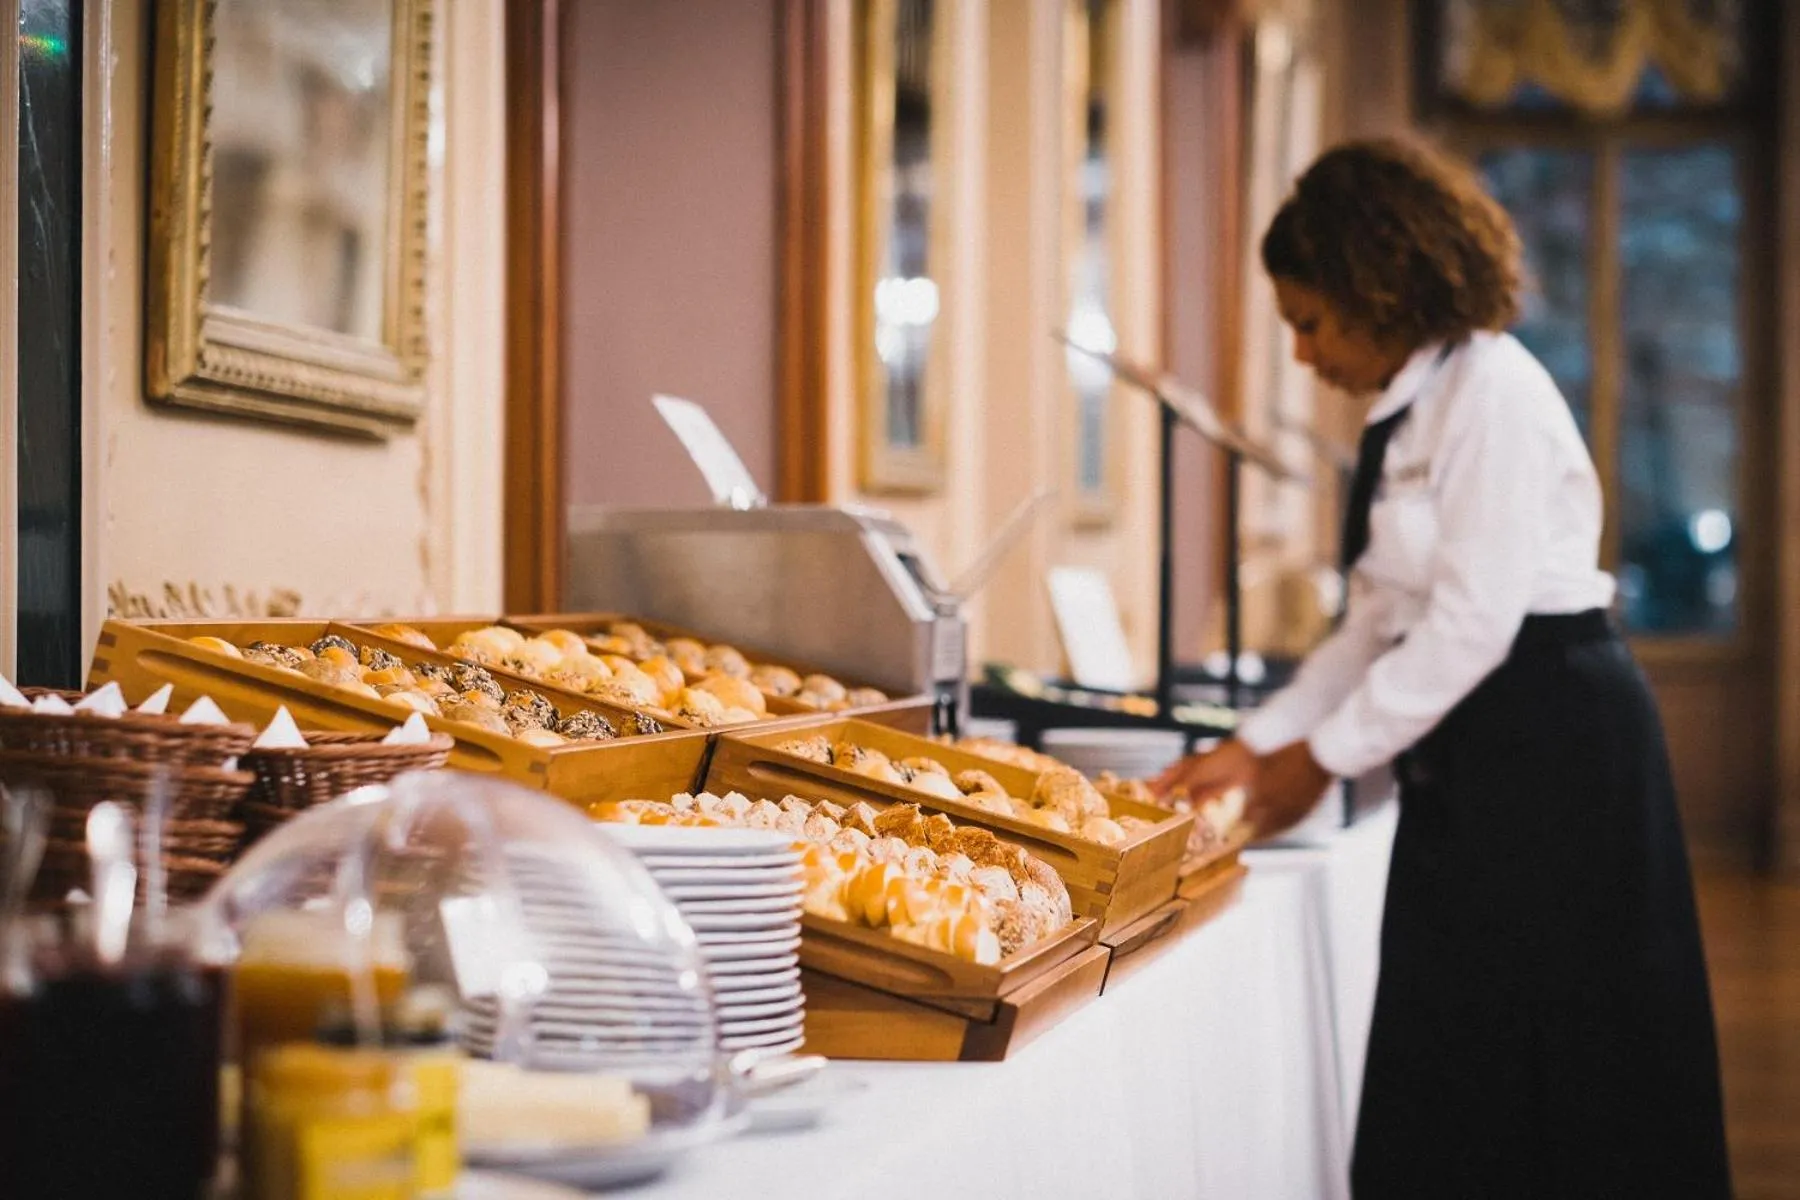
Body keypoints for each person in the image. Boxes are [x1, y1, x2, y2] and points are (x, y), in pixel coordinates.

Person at [1155, 138, 1730, 1197]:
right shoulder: (1399, 416)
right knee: (1450, 1047)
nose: (1303, 354)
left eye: (1311, 322)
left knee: (1574, 1055)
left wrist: (1317, 762)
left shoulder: (1494, 392)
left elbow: (1472, 622)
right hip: (1476, 753)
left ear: (1379, 288)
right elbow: (1374, 624)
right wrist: (1251, 747)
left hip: (1562, 744)